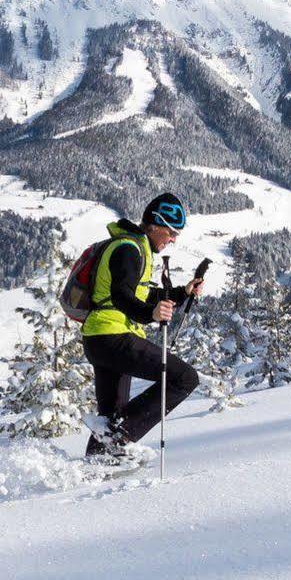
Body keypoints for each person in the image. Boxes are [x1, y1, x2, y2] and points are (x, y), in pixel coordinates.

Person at [80, 192, 204, 459]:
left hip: (101, 339)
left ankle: (96, 465)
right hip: (112, 337)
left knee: (110, 418)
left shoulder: (135, 248)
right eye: (171, 232)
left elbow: (142, 295)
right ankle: (117, 442)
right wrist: (152, 315)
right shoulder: (128, 249)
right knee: (184, 378)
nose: (173, 239)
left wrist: (183, 292)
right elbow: (121, 296)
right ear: (155, 224)